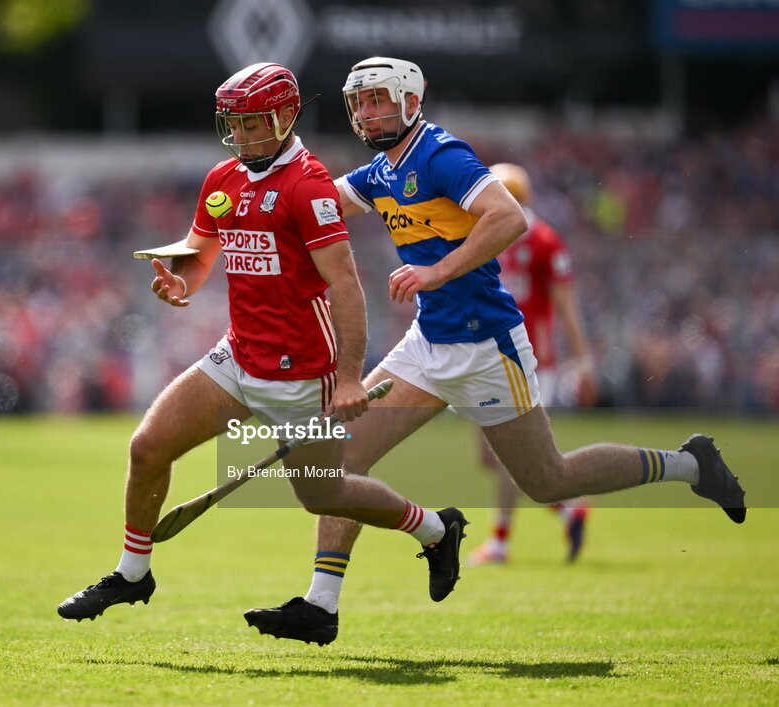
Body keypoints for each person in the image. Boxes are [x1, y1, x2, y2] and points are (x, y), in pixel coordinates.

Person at [244, 57, 746, 645]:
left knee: (549, 480)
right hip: (426, 346)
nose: (367, 112)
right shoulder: (381, 171)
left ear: (410, 100)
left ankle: (690, 464)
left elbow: (507, 218)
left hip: (487, 347)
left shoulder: (440, 155)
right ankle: (322, 604)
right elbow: (317, 206)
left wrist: (436, 272)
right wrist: (246, 202)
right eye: (358, 103)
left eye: (378, 99)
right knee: (340, 460)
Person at [57, 63, 467, 645]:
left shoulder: (309, 186)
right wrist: (182, 284)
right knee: (148, 446)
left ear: (283, 117)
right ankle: (132, 573)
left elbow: (346, 287)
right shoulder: (222, 179)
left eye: (255, 125)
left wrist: (349, 376)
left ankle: (433, 529)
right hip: (238, 357)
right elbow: (201, 252)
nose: (244, 137)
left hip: (305, 371)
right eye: (235, 125)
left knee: (325, 495)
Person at [468, 162, 598, 566]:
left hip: (521, 359)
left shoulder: (539, 239)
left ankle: (500, 543)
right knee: (492, 457)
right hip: (491, 357)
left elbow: (566, 307)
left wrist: (583, 362)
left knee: (507, 454)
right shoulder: (523, 235)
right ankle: (568, 509)